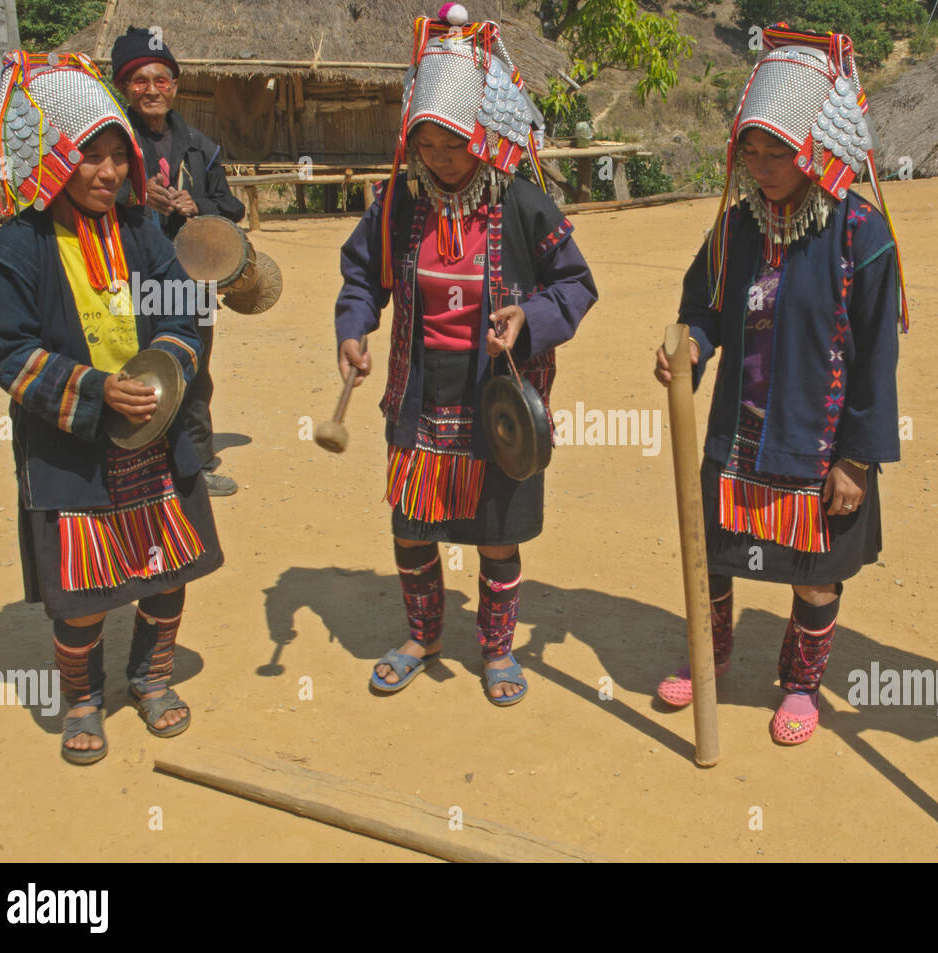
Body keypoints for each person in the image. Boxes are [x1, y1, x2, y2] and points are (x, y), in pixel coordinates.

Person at [653, 24, 908, 745]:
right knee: (716, 561)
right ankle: (712, 652)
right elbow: (702, 309)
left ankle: (800, 685)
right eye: (752, 152)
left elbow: (876, 359)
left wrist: (858, 457)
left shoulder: (863, 235)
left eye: (779, 152)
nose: (763, 166)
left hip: (820, 447)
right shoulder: (735, 228)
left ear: (818, 148)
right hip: (738, 436)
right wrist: (691, 348)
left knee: (814, 575)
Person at [334, 5, 596, 705]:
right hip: (421, 395)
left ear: (481, 135)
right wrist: (353, 329)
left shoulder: (523, 203)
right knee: (413, 528)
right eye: (427, 143)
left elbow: (576, 283)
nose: (441, 158)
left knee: (498, 534)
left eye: (453, 143)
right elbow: (362, 275)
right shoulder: (397, 203)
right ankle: (422, 636)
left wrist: (530, 318)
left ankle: (498, 650)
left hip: (500, 402)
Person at [0, 52, 223, 764]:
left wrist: (166, 367)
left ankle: (150, 674)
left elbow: (181, 315)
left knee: (166, 568)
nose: (109, 172)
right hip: (69, 445)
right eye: (89, 157)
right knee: (81, 589)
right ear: (52, 161)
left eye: (119, 155)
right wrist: (92, 389)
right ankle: (83, 696)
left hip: (155, 433)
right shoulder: (13, 252)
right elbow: (9, 353)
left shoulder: (144, 232)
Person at [112, 26, 246, 497]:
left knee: (193, 366)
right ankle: (134, 462)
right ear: (124, 88)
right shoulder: (113, 145)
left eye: (161, 80)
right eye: (140, 81)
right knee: (130, 364)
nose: (152, 89)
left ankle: (197, 462)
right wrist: (132, 194)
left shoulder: (202, 148)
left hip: (193, 281)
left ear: (175, 85)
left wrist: (199, 208)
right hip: (125, 279)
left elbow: (232, 209)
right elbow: (80, 196)